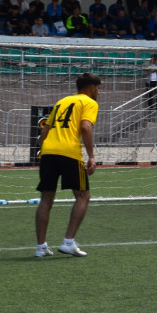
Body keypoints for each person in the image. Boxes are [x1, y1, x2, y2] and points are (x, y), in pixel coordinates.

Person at [34, 72, 101, 257]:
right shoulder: (89, 102)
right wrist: (91, 156)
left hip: (48, 152)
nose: (99, 92)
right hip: (69, 152)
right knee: (83, 196)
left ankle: (40, 247)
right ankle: (68, 242)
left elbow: (44, 131)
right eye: (98, 88)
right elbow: (85, 127)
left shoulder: (61, 102)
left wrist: (46, 150)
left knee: (46, 198)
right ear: (91, 88)